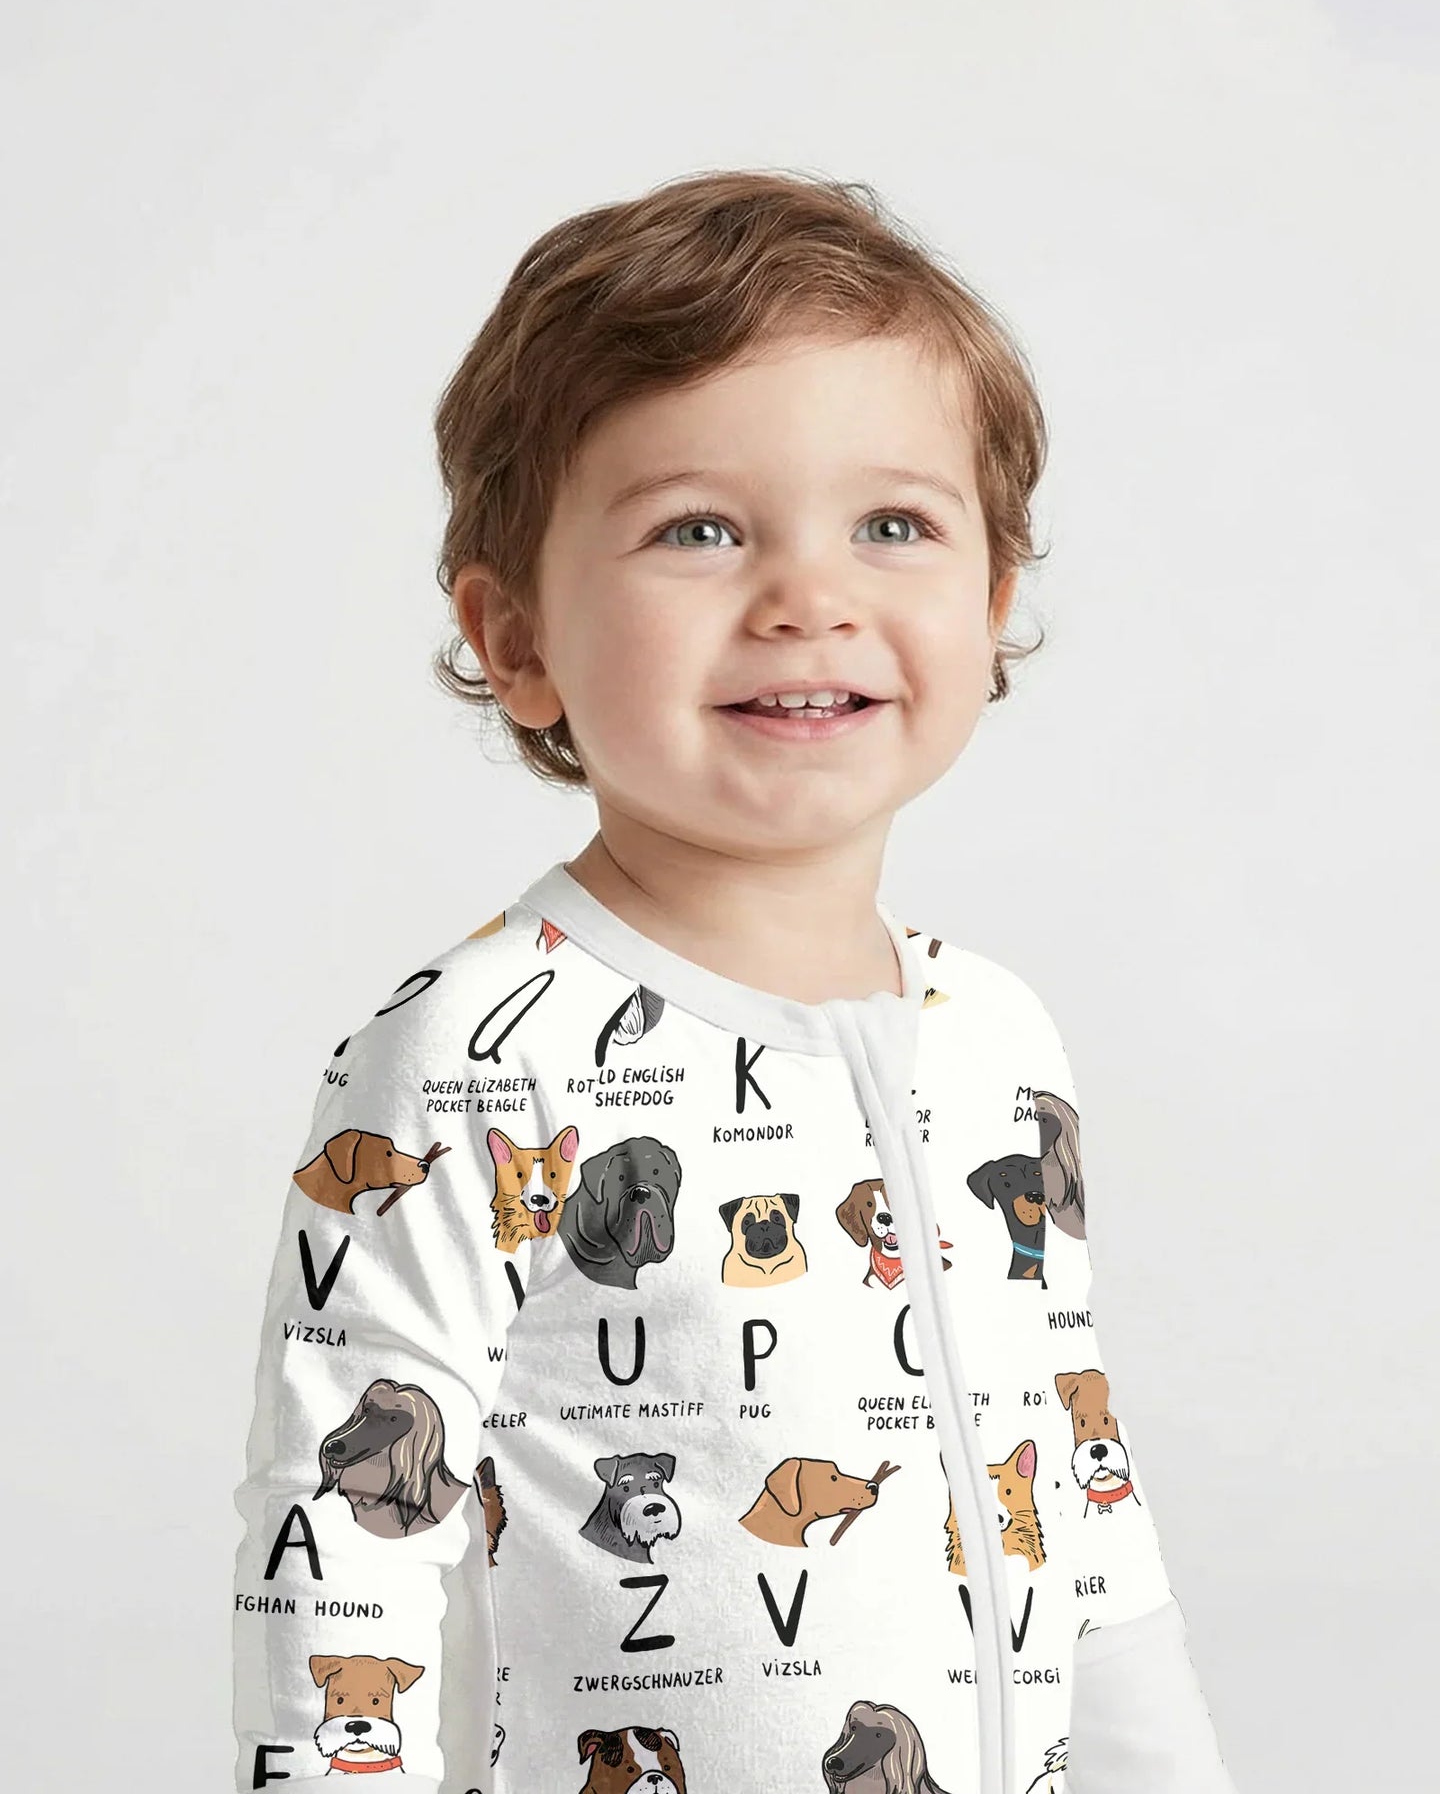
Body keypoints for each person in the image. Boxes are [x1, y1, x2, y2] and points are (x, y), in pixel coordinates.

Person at [231, 167, 1239, 1794]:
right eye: (699, 529)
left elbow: (1078, 1473)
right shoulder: (471, 1055)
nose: (809, 598)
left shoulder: (998, 1037)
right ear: (516, 637)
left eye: (893, 526)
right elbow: (344, 1538)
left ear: (991, 607)